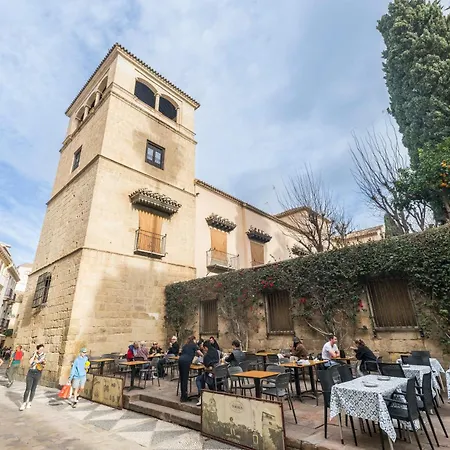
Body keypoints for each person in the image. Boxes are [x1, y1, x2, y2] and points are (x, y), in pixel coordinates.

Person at [20, 344, 46, 411]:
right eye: (40, 349)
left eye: (42, 349)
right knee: (27, 388)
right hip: (31, 372)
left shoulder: (44, 355)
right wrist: (34, 354)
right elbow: (30, 362)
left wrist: (37, 360)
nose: (41, 350)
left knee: (33, 389)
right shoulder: (34, 355)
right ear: (37, 349)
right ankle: (24, 403)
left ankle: (29, 402)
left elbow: (40, 361)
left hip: (38, 373)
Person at [178, 335, 203, 402]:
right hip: (186, 361)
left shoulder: (185, 345)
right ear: (193, 339)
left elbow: (181, 352)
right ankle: (184, 397)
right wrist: (204, 356)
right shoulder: (194, 345)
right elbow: (199, 352)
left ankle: (183, 395)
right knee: (185, 379)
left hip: (180, 360)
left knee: (182, 378)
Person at [196, 340, 220, 406]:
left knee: (198, 379)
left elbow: (206, 367)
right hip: (218, 373)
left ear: (206, 347)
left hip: (210, 375)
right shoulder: (216, 352)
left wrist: (204, 366)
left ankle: (201, 395)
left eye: (204, 348)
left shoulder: (207, 356)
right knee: (203, 377)